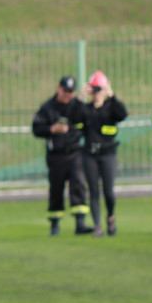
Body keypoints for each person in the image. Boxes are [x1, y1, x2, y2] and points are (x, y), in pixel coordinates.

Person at [31, 75, 92, 236]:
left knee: (78, 186)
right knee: (56, 189)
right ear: (58, 88)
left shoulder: (77, 106)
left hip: (75, 153)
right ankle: (54, 225)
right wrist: (51, 130)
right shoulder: (48, 107)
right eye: (65, 91)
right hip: (56, 156)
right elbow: (36, 128)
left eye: (71, 92)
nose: (67, 95)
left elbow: (87, 120)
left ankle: (80, 223)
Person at [81, 70, 128, 237]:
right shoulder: (85, 108)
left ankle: (110, 217)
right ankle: (97, 226)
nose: (97, 93)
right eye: (94, 89)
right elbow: (73, 116)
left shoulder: (111, 108)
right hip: (90, 155)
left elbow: (122, 114)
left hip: (108, 154)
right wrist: (80, 98)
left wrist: (111, 95)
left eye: (99, 89)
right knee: (93, 190)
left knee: (108, 191)